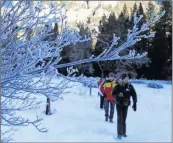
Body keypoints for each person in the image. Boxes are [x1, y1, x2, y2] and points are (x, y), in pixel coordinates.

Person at [112, 73, 137, 139]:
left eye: (128, 79)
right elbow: (113, 94)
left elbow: (134, 95)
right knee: (120, 119)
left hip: (126, 105)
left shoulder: (130, 86)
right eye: (126, 79)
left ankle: (123, 133)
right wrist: (118, 96)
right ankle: (119, 134)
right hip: (119, 104)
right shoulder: (118, 86)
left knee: (124, 119)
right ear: (122, 79)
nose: (127, 80)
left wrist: (135, 103)